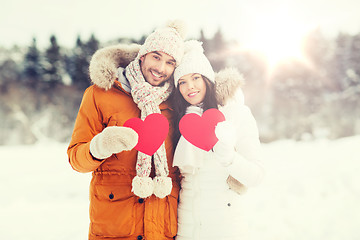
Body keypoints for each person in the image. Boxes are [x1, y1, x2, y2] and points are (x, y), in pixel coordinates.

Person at [67, 21, 186, 240]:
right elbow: (76, 159)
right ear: (142, 56)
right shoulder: (100, 94)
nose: (161, 68)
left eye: (170, 62)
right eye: (156, 57)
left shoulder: (178, 102)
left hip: (162, 228)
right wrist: (99, 147)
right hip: (115, 227)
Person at [171, 40, 265, 240]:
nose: (190, 87)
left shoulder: (235, 114)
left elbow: (256, 176)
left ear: (207, 78)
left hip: (225, 228)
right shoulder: (179, 121)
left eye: (196, 77)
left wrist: (229, 158)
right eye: (182, 82)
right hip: (186, 229)